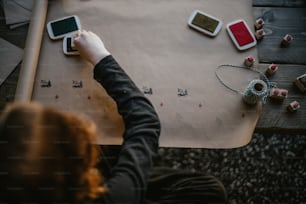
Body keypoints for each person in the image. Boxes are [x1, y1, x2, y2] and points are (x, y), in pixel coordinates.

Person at [0, 30, 227, 203]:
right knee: (211, 190)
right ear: (77, 163)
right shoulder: (117, 195)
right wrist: (101, 58)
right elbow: (145, 120)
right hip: (125, 193)